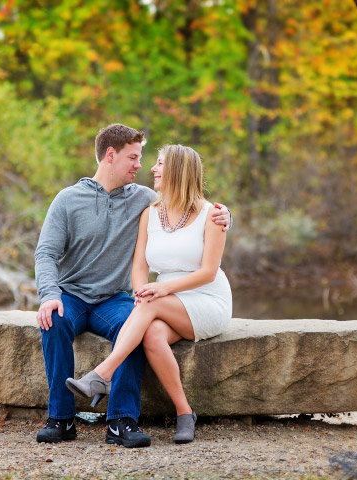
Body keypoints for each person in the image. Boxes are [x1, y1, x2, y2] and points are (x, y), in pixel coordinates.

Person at [34, 124, 230, 447]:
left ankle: (121, 421)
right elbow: (45, 254)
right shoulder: (68, 200)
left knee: (136, 322)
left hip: (114, 299)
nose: (141, 165)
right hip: (71, 296)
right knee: (52, 320)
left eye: (144, 158)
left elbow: (191, 203)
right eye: (134, 157)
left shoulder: (144, 199)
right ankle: (61, 419)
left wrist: (227, 217)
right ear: (110, 155)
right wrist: (49, 295)